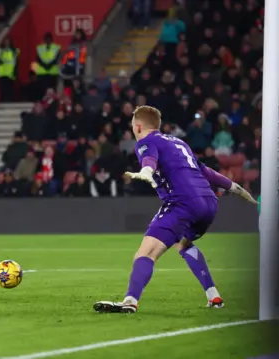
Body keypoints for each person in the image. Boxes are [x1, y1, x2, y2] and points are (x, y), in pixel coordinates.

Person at [94, 106, 257, 314]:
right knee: (183, 243)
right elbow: (206, 171)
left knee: (146, 253)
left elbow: (148, 159)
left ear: (137, 126)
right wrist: (237, 189)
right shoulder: (179, 142)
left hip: (182, 203)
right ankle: (213, 295)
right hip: (209, 202)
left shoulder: (146, 142)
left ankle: (130, 301)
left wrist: (146, 170)